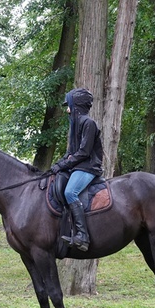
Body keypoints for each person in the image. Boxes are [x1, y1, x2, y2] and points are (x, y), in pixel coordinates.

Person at [50, 88, 104, 251]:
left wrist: (64, 165)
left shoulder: (89, 124)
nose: (67, 110)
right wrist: (57, 165)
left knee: (70, 192)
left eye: (69, 106)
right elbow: (70, 152)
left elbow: (83, 152)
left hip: (88, 167)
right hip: (77, 166)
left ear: (77, 106)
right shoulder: (75, 125)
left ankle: (83, 236)